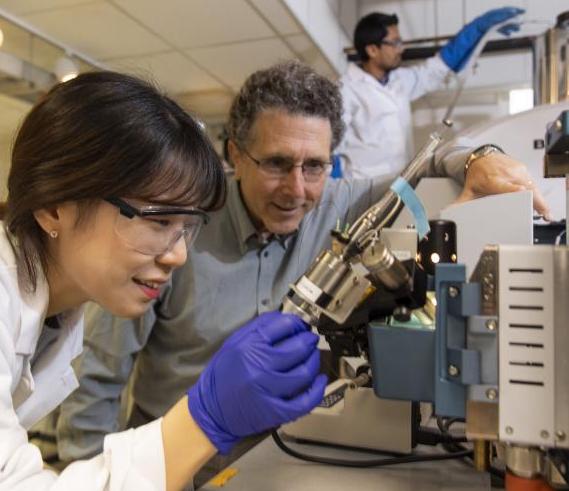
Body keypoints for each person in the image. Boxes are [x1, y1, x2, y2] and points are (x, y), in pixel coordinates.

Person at [53, 61, 550, 488]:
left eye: (315, 166)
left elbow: (428, 164)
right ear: (235, 155)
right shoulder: (176, 228)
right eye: (276, 163)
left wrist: (481, 158)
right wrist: (90, 474)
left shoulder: (341, 203)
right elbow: (98, 375)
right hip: (177, 462)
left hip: (284, 453)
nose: (297, 189)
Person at [0, 71, 327, 490]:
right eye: (158, 220)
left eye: (187, 225)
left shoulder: (57, 312)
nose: (178, 255)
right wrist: (202, 419)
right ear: (52, 207)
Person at [337, 7, 525, 179]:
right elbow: (330, 148)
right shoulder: (346, 90)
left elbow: (439, 67)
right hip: (360, 187)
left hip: (398, 183)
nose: (401, 49)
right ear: (372, 50)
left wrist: (478, 30)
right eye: (394, 43)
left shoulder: (399, 81)